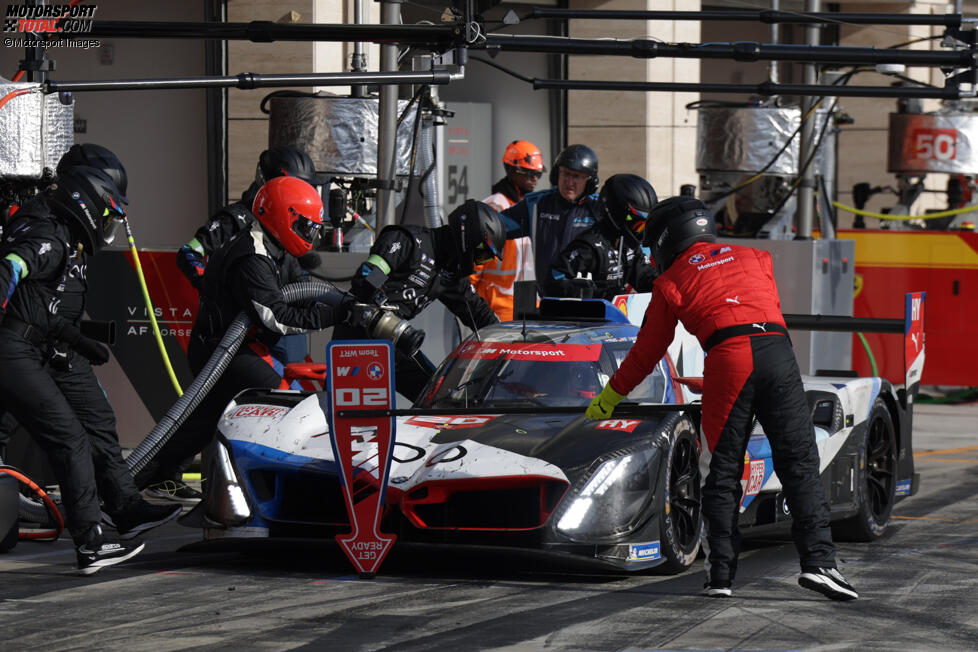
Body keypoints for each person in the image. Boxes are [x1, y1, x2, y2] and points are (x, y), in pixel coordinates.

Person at [584, 197, 858, 602]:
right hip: (778, 352)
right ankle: (821, 564)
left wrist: (609, 396)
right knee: (800, 461)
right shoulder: (756, 257)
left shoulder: (669, 280)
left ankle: (721, 575)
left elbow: (648, 351)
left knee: (723, 471)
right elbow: (757, 314)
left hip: (729, 360)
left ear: (664, 239)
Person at [133, 176, 344, 489]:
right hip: (224, 351)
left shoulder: (277, 249)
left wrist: (347, 303)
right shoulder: (251, 256)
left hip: (238, 348)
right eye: (305, 226)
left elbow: (304, 293)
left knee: (204, 423)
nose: (309, 235)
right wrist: (335, 313)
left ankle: (143, 478)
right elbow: (277, 317)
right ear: (284, 217)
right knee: (284, 403)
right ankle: (277, 485)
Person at [0, 166, 151, 574]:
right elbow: (11, 268)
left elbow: (39, 313)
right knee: (70, 439)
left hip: (21, 348)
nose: (108, 225)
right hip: (13, 352)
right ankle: (90, 545)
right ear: (89, 204)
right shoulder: (48, 238)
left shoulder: (59, 237)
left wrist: (82, 342)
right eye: (107, 214)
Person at [159, 146, 321, 501]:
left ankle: (162, 476)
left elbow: (304, 282)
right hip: (231, 338)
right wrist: (221, 292)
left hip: (266, 333)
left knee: (212, 417)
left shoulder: (283, 232)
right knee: (280, 403)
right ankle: (274, 488)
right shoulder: (236, 221)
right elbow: (190, 254)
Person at [338, 199, 505, 401]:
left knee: (439, 397)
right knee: (342, 410)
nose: (479, 264)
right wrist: (377, 305)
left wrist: (512, 340)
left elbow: (479, 314)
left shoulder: (450, 274)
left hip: (393, 345)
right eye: (481, 255)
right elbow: (365, 278)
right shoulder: (407, 241)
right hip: (356, 341)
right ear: (468, 237)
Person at [502, 144, 602, 297]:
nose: (569, 182)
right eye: (565, 174)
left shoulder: (600, 209)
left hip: (594, 306)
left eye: (576, 176)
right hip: (549, 303)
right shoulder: (537, 205)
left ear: (589, 181)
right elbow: (497, 226)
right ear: (557, 174)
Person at [547, 173, 659, 300]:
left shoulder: (629, 248)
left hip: (621, 316)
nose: (640, 232)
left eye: (644, 226)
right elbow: (553, 282)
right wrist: (597, 293)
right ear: (618, 214)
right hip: (588, 317)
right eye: (638, 225)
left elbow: (646, 277)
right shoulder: (589, 247)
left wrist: (669, 285)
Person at [469, 140, 545, 320]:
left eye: (537, 174)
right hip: (496, 305)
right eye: (529, 173)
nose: (534, 179)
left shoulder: (529, 209)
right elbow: (474, 264)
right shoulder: (494, 207)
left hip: (528, 304)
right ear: (512, 171)